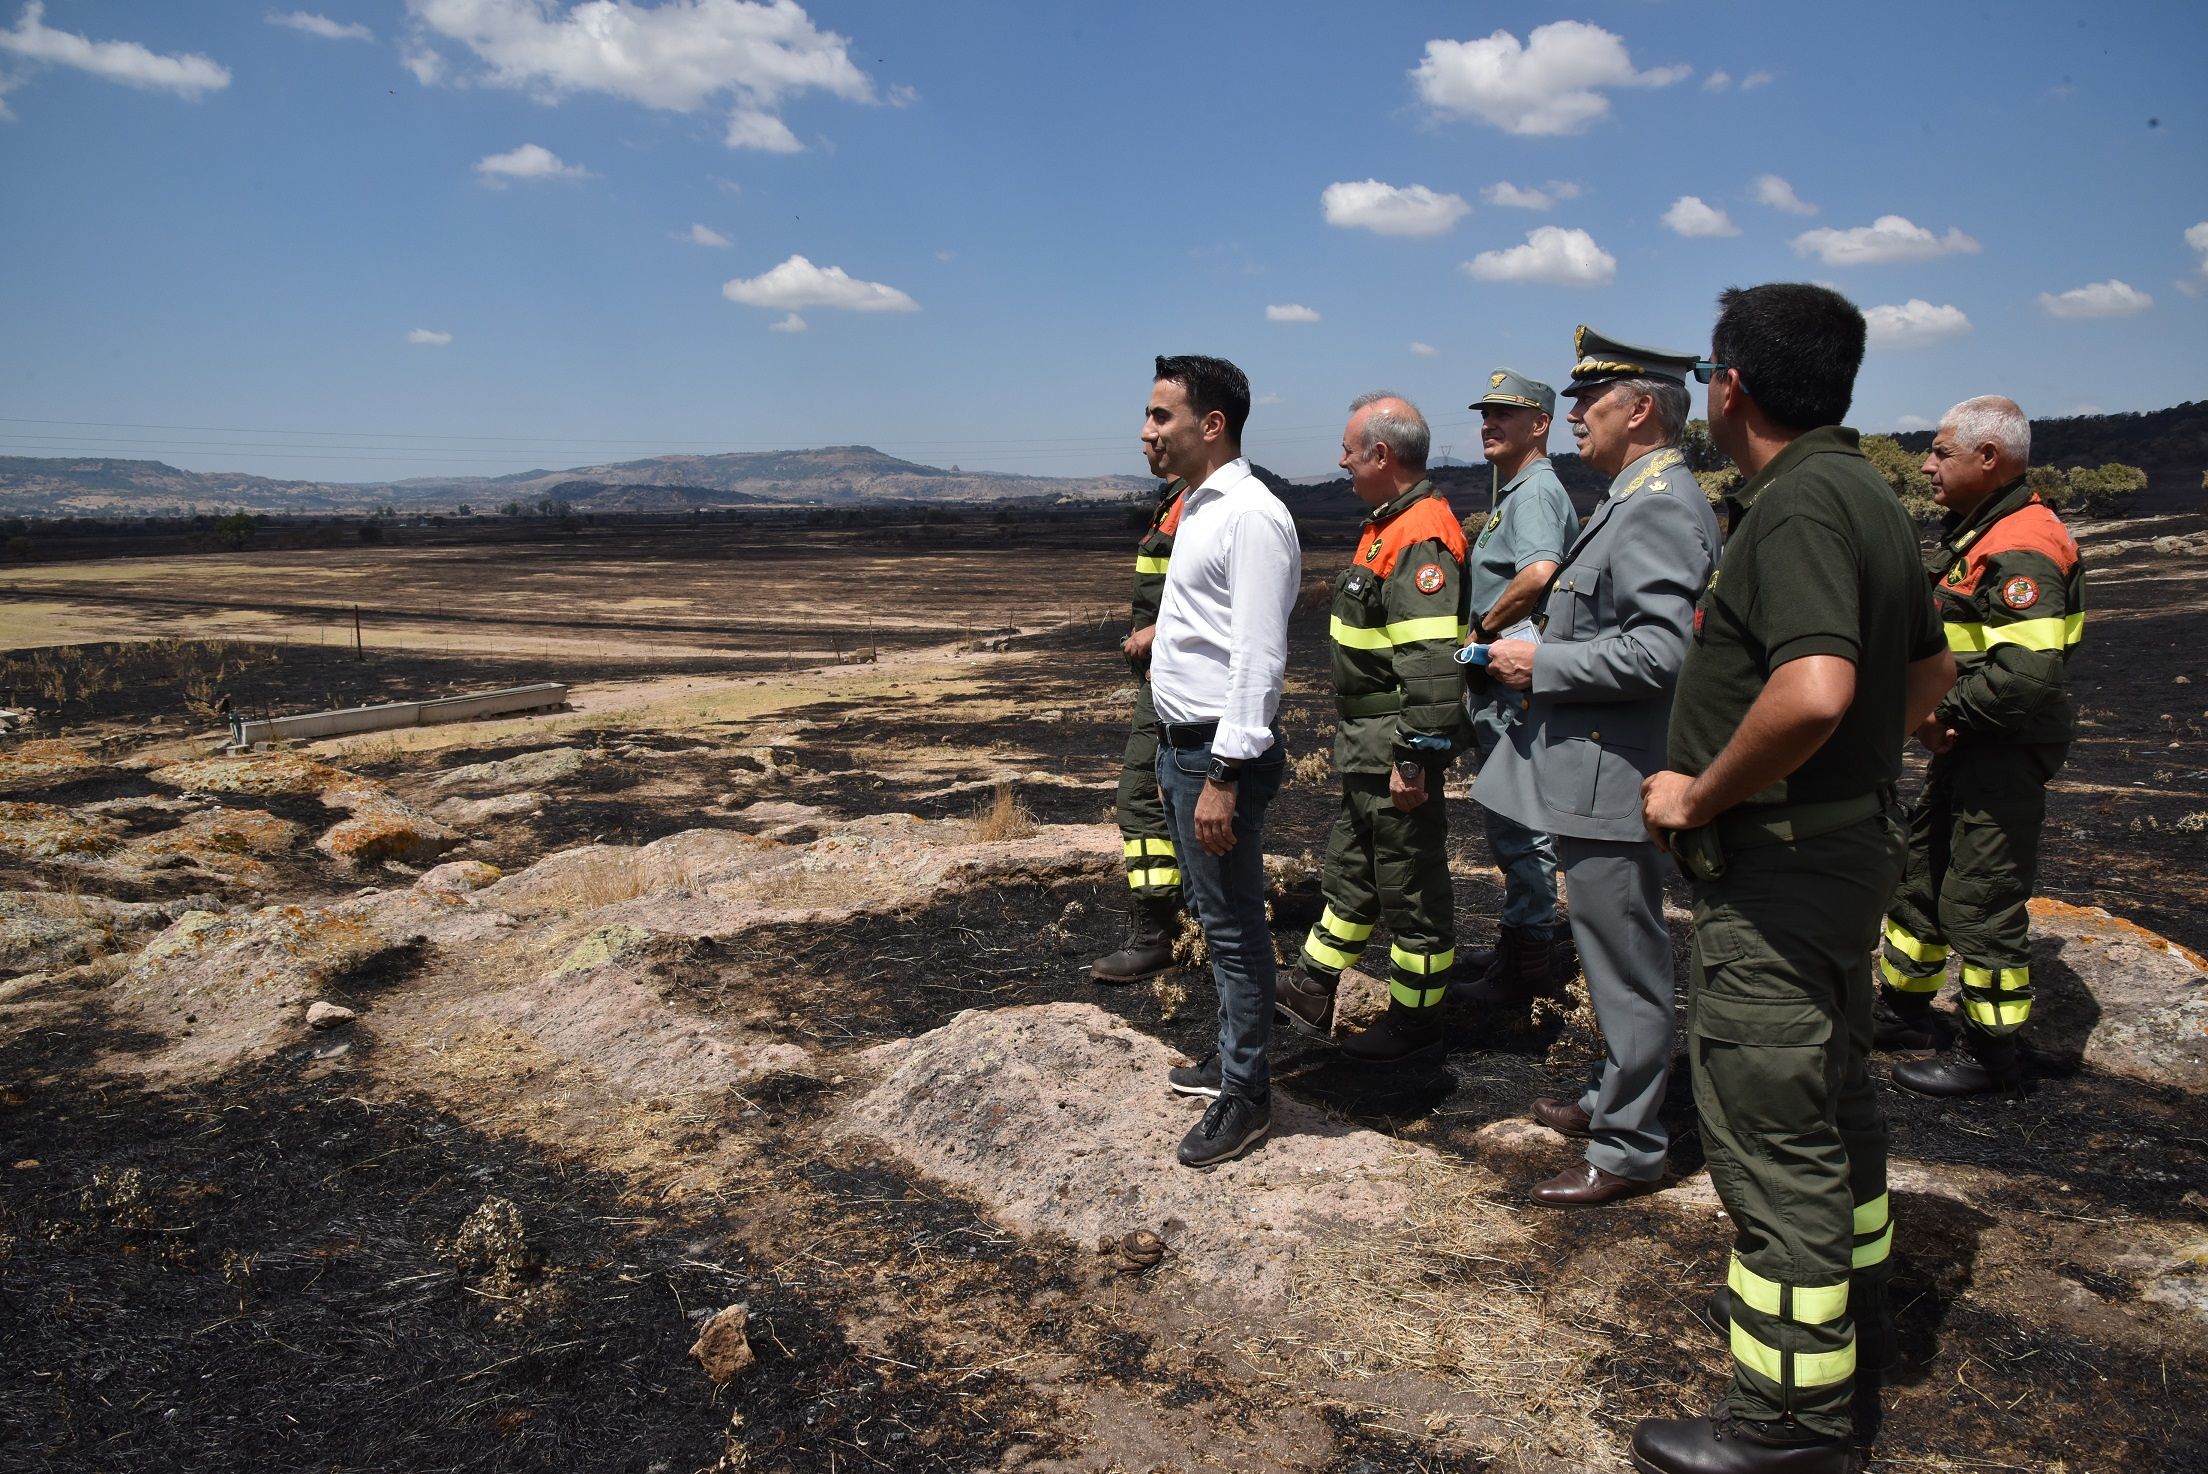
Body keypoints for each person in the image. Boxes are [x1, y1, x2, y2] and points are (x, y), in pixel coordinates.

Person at [1630, 284, 1954, 1474]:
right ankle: (1850, 1320)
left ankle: (1790, 1420)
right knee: (1833, 1099)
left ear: (1731, 387)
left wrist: (1700, 793)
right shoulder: (1862, 489)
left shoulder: (1801, 504)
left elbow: (1816, 688)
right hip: (1838, 854)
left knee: (1771, 1136)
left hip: (1778, 870)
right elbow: (1928, 674)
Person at [1474, 327, 1720, 1208]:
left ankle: (1628, 1148)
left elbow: (1663, 653)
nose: (1572, 414)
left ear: (1641, 409)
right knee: (1614, 951)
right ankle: (1615, 1099)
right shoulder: (1630, 498)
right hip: (1597, 771)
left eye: (1591, 401)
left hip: (1619, 775)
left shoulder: (1655, 504)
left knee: (1626, 963)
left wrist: (1538, 665)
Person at [1876, 396, 2084, 1097]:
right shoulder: (1979, 531)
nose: (1927, 465)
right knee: (1926, 872)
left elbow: (2026, 673)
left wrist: (1941, 715)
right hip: (1968, 743)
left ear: (1988, 459)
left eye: (1940, 452)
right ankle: (1904, 1010)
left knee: (1983, 894)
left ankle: (1993, 1056)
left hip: (1999, 744)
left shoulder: (2022, 542)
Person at [1140, 354, 1301, 1168]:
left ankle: (1248, 1094)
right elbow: (1206, 625)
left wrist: (1224, 778)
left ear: (1212, 425)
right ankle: (1232, 1057)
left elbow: (1257, 658)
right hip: (1185, 746)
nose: (1146, 431)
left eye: (1161, 416)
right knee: (1218, 916)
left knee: (1234, 927)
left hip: (1215, 753)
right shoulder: (1199, 506)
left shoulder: (1252, 515)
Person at [1274, 394, 1468, 1063]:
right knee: (1352, 873)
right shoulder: (1391, 524)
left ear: (1381, 455)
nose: (1341, 460)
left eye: (1349, 449)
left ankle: (1417, 1029)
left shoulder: (1421, 534)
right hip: (1367, 745)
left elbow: (1432, 664)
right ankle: (1310, 986)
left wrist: (1414, 756)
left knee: (1410, 889)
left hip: (1393, 746)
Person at [1454, 369, 1581, 1006]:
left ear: (1540, 425)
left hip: (1512, 683)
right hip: (1506, 682)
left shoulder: (1532, 493)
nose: (1489, 422)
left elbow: (1536, 575)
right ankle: (1518, 941)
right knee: (1513, 816)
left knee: (1520, 821)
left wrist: (1484, 628)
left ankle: (1525, 962)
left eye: (1505, 414)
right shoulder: (1519, 489)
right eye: (1486, 412)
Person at [1088, 459, 1190, 983]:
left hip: (1177, 678)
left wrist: (1157, 633)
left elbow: (1205, 591)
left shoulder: (1195, 502)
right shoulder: (1176, 501)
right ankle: (1179, 920)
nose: (1146, 434)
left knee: (1141, 799)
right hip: (1163, 675)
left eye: (1159, 418)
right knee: (1162, 798)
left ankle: (1159, 931)